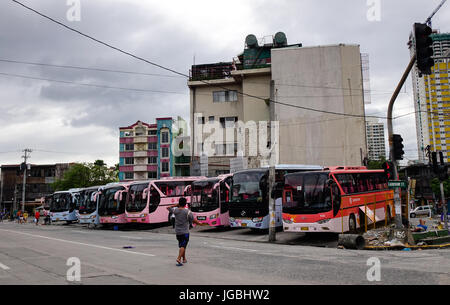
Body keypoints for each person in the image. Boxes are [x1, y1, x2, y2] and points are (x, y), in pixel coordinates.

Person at [167, 197, 207, 266]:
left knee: (182, 246)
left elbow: (168, 207)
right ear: (185, 204)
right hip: (185, 232)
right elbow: (193, 220)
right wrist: (200, 223)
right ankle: (179, 258)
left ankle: (184, 258)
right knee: (183, 245)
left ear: (179, 203)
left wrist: (176, 205)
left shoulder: (175, 211)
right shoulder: (187, 212)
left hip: (178, 232)